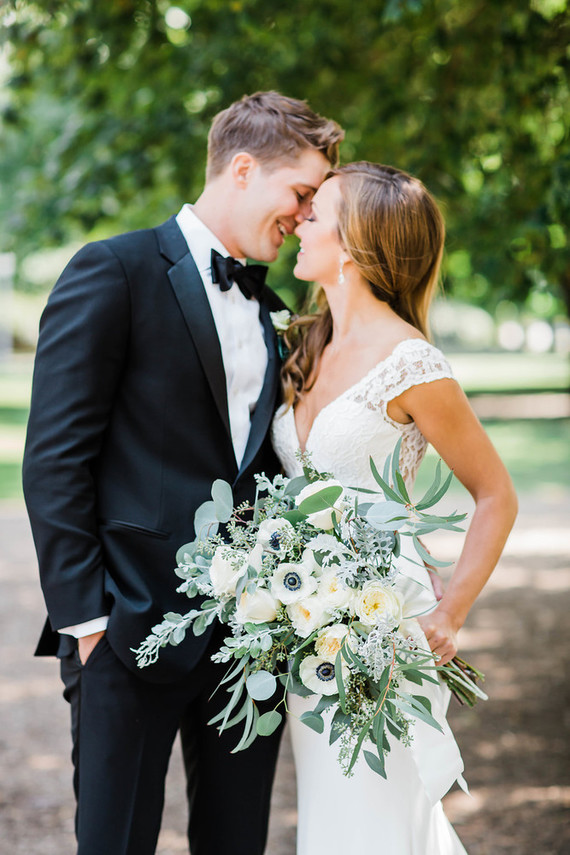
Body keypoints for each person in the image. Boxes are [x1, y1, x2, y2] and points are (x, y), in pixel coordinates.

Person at [22, 91, 343, 855]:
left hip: (246, 644)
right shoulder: (114, 270)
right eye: (300, 192)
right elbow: (55, 456)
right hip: (126, 631)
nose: (304, 215)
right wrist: (88, 622)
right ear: (242, 168)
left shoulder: (271, 311)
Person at [271, 161, 518, 854]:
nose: (298, 222)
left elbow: (497, 493)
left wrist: (452, 612)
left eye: (314, 213)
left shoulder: (414, 364)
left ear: (352, 243)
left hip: (386, 622)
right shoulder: (306, 344)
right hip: (305, 627)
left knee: (375, 814)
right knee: (332, 812)